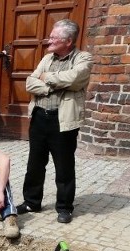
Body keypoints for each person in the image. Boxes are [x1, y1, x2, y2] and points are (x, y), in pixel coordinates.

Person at [18, 19, 92, 224]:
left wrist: (46, 78)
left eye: (53, 37)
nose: (48, 40)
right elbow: (30, 82)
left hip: (63, 121)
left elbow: (75, 78)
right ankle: (32, 201)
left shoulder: (83, 58)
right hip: (40, 117)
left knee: (64, 166)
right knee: (35, 163)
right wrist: (52, 86)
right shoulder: (47, 58)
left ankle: (65, 207)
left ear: (68, 41)